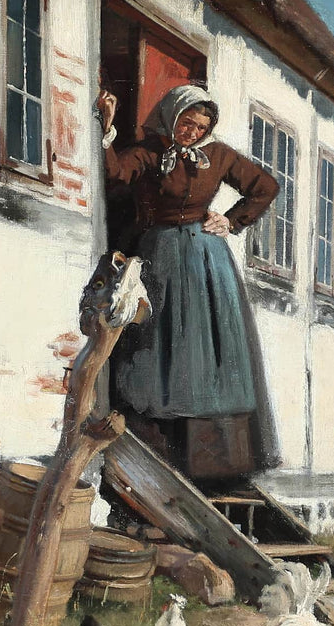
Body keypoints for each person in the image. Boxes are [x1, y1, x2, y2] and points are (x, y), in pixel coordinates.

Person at [94, 83, 280, 482]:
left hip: (204, 259)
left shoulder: (217, 155)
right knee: (157, 343)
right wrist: (107, 131)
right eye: (187, 123)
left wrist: (231, 219)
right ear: (172, 116)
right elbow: (116, 172)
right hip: (159, 253)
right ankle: (156, 444)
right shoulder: (151, 151)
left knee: (206, 344)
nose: (192, 133)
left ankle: (212, 458)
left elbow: (265, 187)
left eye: (200, 127)